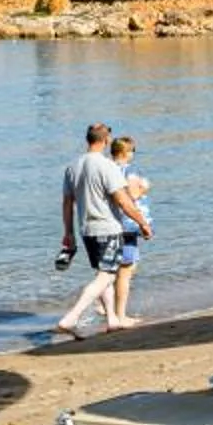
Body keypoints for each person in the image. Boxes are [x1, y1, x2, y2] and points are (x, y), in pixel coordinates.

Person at [53, 124, 148, 340]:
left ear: (88, 139)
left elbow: (67, 203)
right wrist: (143, 223)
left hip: (86, 230)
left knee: (102, 274)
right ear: (106, 141)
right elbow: (123, 200)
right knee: (106, 275)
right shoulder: (107, 166)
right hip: (109, 228)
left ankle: (113, 320)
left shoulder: (73, 166)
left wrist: (68, 232)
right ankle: (71, 318)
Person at [106, 135, 153, 323]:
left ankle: (107, 308)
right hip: (128, 223)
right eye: (132, 150)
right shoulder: (129, 170)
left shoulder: (107, 169)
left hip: (110, 222)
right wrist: (145, 188)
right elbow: (131, 196)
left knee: (113, 267)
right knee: (126, 269)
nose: (133, 154)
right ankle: (120, 315)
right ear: (127, 152)